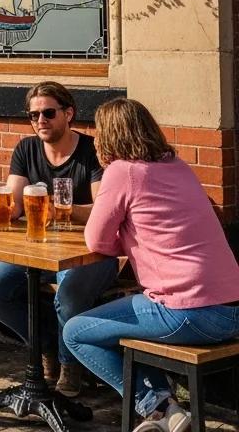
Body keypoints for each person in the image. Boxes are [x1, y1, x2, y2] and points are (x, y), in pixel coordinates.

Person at [64, 98, 239, 432]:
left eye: (101, 132)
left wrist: (126, 242)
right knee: (122, 317)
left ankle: (156, 406)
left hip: (188, 312)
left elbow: (95, 241)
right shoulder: (177, 165)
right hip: (232, 311)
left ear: (111, 136)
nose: (97, 139)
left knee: (76, 331)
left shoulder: (122, 171)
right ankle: (168, 412)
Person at [0, 81, 119, 397]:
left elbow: (103, 210)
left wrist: (63, 211)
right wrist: (1, 212)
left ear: (68, 113)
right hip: (40, 247)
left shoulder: (91, 152)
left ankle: (71, 365)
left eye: (48, 113)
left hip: (91, 251)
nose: (40, 120)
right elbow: (14, 203)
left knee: (67, 295)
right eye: (33, 115)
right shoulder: (26, 149)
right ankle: (48, 346)